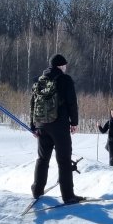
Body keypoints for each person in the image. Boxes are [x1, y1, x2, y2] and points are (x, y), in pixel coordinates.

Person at [30, 54, 83, 204]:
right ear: (60, 66)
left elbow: (33, 103)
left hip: (41, 125)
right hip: (59, 125)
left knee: (42, 158)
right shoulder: (65, 80)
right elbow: (72, 103)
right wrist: (74, 122)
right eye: (65, 65)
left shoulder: (40, 80)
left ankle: (37, 190)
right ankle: (68, 196)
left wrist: (34, 125)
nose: (66, 68)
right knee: (64, 160)